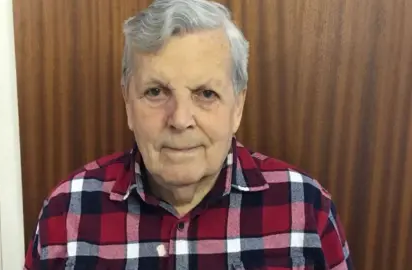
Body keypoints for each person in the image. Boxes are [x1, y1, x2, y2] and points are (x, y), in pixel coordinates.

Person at [24, 0, 352, 269]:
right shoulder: (67, 211)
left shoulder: (307, 208)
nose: (180, 120)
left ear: (237, 106)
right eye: (155, 92)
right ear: (127, 102)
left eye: (206, 94)